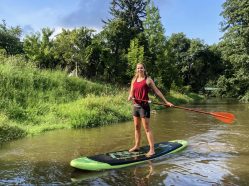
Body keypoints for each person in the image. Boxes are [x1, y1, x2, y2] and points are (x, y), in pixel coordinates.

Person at [128, 63, 174, 157]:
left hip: (144, 107)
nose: (139, 69)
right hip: (135, 106)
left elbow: (157, 91)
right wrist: (130, 96)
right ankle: (137, 146)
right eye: (138, 68)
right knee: (137, 127)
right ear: (136, 70)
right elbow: (131, 91)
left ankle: (152, 150)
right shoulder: (134, 80)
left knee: (147, 128)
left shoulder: (148, 80)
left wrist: (166, 101)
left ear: (144, 69)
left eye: (141, 68)